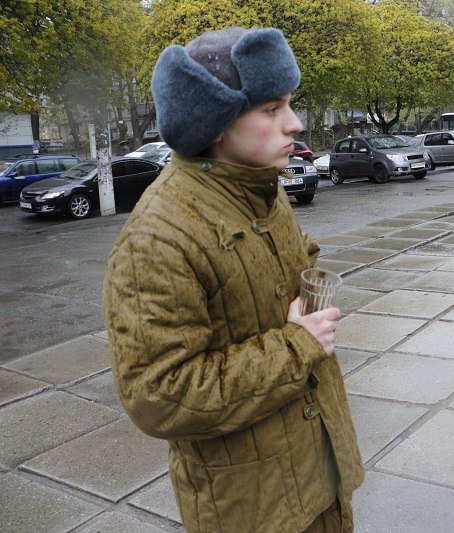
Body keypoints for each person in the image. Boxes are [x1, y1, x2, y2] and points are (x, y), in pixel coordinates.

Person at [103, 27, 363, 532]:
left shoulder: (266, 188)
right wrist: (296, 345)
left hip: (319, 476)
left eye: (290, 104)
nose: (295, 123)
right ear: (215, 124)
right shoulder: (157, 238)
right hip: (253, 509)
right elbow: (160, 395)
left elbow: (285, 260)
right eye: (271, 109)